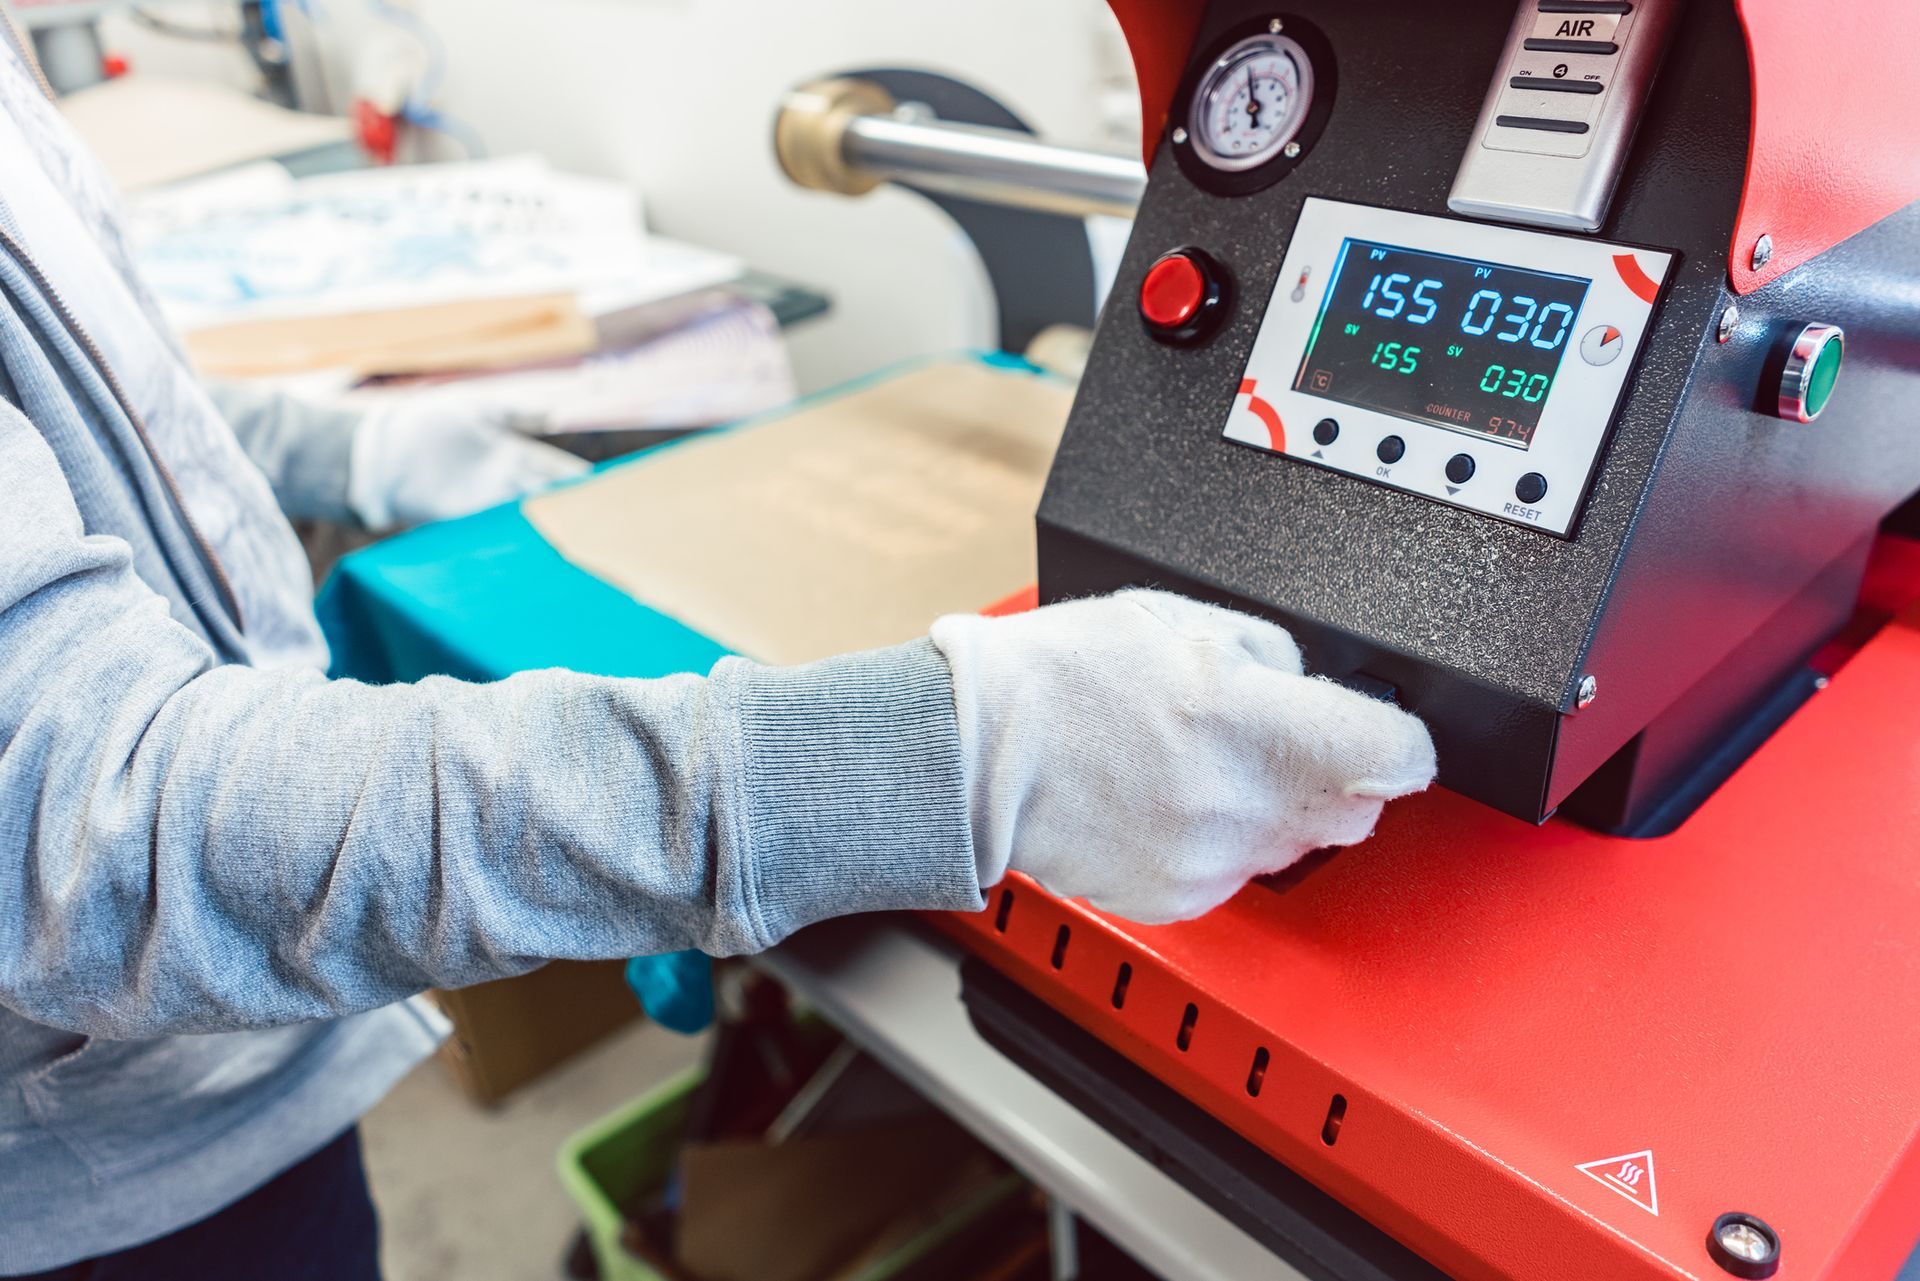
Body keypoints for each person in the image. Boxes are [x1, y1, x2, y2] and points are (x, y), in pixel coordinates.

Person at [0, 21, 1436, 1281]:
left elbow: (92, 374)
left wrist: (360, 445)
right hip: (103, 1181)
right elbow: (87, 838)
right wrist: (948, 758)